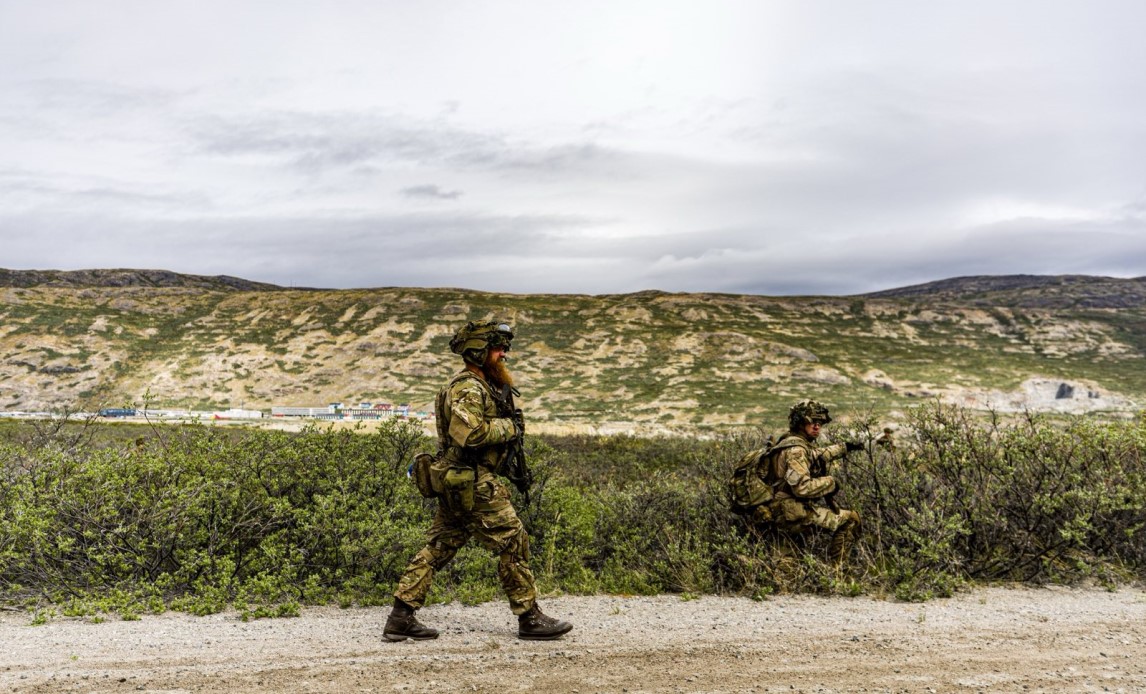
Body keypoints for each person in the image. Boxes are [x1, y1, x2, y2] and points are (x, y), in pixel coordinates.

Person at [384, 321, 573, 641]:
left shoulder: (478, 385)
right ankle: (529, 617)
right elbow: (469, 434)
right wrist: (509, 428)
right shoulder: (468, 388)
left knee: (440, 547)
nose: (503, 355)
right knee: (513, 540)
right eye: (497, 349)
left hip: (459, 480)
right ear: (478, 352)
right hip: (473, 481)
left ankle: (400, 617)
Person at [763, 400, 863, 566]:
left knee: (787, 566)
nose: (817, 426)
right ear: (800, 423)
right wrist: (830, 483)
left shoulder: (788, 443)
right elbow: (802, 488)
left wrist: (845, 447)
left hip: (778, 510)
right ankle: (837, 572)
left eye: (820, 423)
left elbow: (818, 455)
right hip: (790, 514)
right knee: (850, 519)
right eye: (812, 422)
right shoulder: (796, 450)